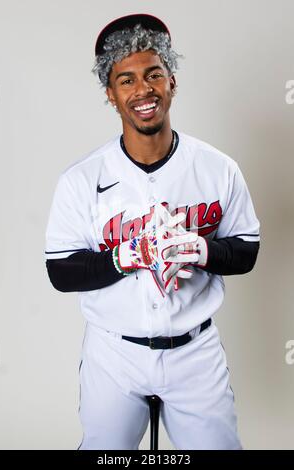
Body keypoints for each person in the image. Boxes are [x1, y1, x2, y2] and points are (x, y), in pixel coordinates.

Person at [45, 13, 260, 450]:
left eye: (153, 75)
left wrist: (201, 249)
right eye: (126, 80)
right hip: (114, 353)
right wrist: (127, 256)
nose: (142, 90)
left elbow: (247, 250)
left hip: (194, 351)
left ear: (171, 83)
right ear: (110, 93)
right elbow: (61, 271)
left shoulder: (218, 168)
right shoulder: (81, 179)